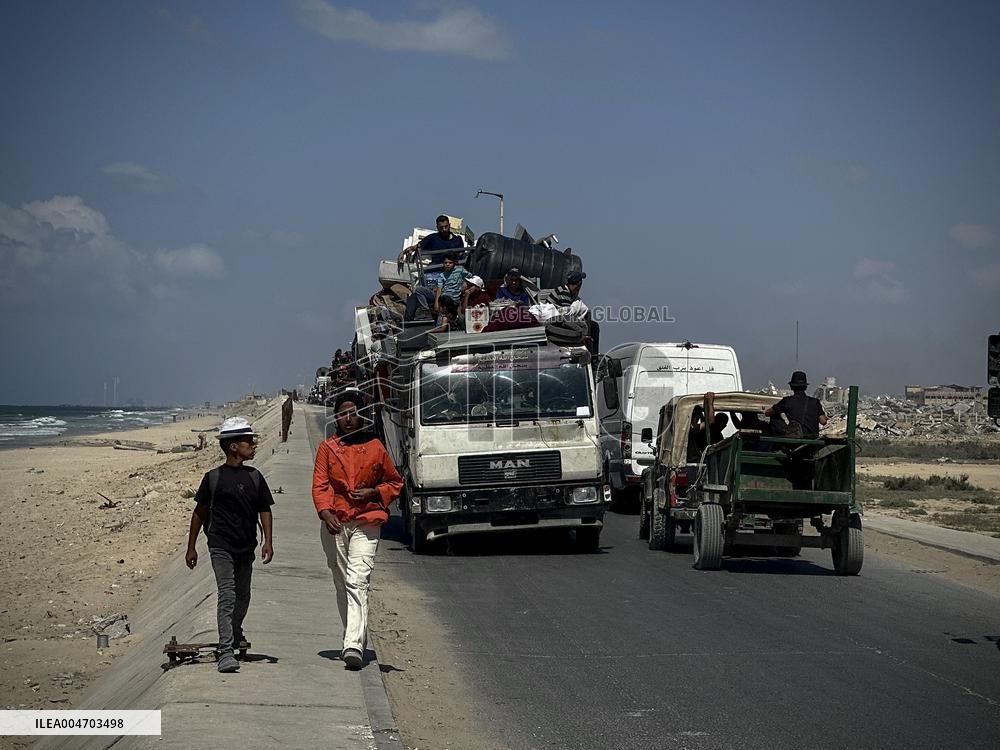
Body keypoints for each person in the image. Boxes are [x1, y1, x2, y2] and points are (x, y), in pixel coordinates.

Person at [312, 391, 403, 671]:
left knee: (357, 580)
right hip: (336, 523)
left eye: (353, 413)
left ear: (361, 415)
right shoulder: (328, 448)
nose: (348, 419)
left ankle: (352, 645)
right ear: (336, 417)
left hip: (367, 521)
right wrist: (326, 513)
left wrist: (374, 491)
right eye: (342, 413)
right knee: (342, 583)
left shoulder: (376, 447)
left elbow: (394, 482)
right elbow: (320, 485)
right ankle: (353, 636)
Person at [185, 417, 274, 674]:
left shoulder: (255, 477)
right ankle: (226, 651)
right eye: (249, 441)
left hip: (246, 547)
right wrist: (191, 547)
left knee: (243, 595)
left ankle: (235, 631)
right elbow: (199, 513)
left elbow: (264, 510)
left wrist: (268, 541)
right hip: (220, 545)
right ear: (233, 446)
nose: (254, 445)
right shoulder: (213, 478)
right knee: (227, 594)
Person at [403, 251, 470, 322]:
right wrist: (436, 303)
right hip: (442, 296)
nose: (447, 265)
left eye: (450, 263)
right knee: (417, 291)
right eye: (445, 263)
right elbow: (439, 290)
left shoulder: (460, 270)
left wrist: (464, 286)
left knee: (418, 293)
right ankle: (422, 312)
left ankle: (419, 314)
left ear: (454, 263)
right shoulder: (442, 275)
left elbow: (470, 277)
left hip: (452, 299)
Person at [549, 270, 600, 355]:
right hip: (557, 322)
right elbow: (567, 316)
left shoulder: (568, 292)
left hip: (560, 320)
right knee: (594, 327)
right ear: (579, 284)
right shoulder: (564, 293)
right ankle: (594, 357)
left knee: (591, 325)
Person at [765, 371, 828, 438]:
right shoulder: (815, 402)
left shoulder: (787, 401)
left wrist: (776, 412)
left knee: (774, 417)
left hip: (796, 438)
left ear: (791, 387)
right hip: (813, 439)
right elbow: (823, 421)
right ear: (805, 387)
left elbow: (767, 413)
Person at [398, 215, 464, 262]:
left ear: (449, 225)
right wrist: (403, 252)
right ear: (437, 227)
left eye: (446, 226)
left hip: (453, 271)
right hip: (435, 270)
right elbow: (416, 247)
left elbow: (461, 255)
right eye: (441, 227)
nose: (444, 229)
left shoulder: (457, 240)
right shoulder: (433, 238)